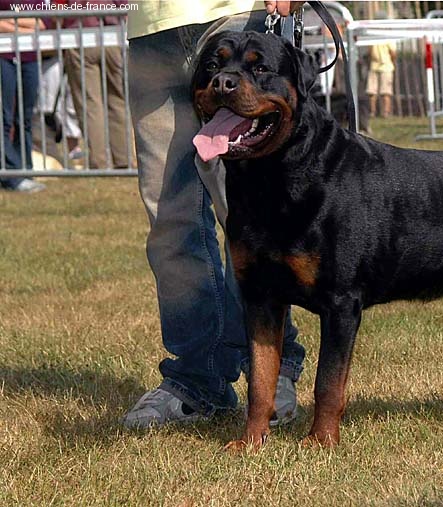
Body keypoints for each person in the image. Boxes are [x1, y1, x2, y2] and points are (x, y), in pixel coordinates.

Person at [122, 0, 306, 429]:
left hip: (240, 12)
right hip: (151, 27)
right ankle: (197, 378)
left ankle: (272, 368)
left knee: (252, 218)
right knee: (170, 219)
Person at [52, 0, 132, 170]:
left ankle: (100, 162)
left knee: (90, 105)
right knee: (118, 101)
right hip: (113, 35)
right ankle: (124, 159)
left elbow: (57, 8)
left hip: (80, 36)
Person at [0, 0, 46, 193]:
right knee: (5, 118)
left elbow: (42, 23)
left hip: (29, 57)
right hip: (4, 56)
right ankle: (11, 173)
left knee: (25, 118)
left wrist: (12, 24)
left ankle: (25, 170)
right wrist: (25, 25)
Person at [366, 12, 396, 118]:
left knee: (384, 92)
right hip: (375, 65)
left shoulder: (387, 36)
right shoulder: (373, 35)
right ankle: (375, 112)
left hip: (385, 66)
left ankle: (384, 112)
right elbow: (393, 53)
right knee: (373, 91)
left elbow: (392, 53)